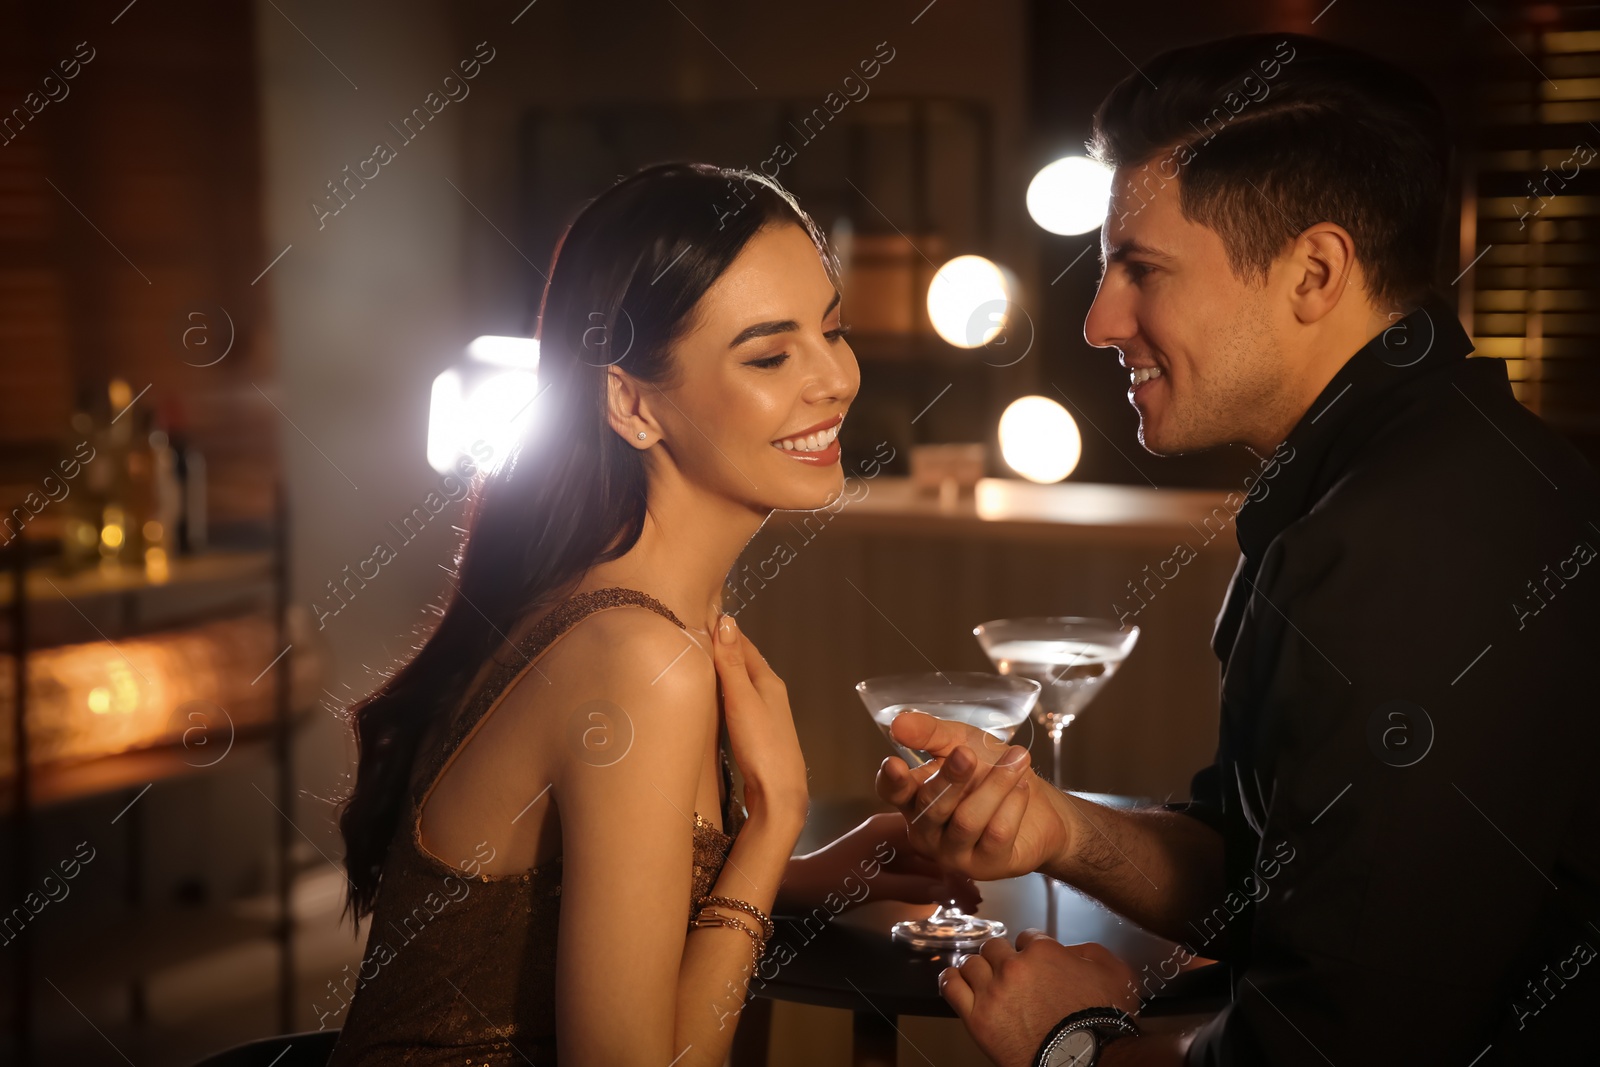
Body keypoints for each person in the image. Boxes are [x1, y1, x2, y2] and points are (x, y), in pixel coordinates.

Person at [873, 32, 1600, 1067]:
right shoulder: (1378, 478)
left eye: (1142, 268)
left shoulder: (1407, 549)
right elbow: (1273, 880)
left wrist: (1072, 1044)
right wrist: (1058, 826)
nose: (1096, 319)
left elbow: (1335, 1049)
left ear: (1314, 270)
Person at [325, 162, 974, 1066]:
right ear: (631, 402)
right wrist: (772, 825)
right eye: (769, 354)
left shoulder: (621, 609)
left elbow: (570, 895)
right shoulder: (638, 660)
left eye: (833, 329)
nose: (834, 380)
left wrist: (801, 879)